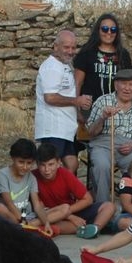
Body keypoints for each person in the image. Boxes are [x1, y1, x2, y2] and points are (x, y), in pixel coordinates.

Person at [85, 68, 132, 203]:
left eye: (131, 84)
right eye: (123, 84)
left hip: (130, 146)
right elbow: (90, 132)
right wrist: (103, 118)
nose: (127, 88)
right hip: (103, 144)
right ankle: (103, 207)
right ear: (116, 85)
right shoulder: (103, 101)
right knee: (101, 166)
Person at [35, 29, 92, 175]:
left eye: (73, 47)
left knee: (72, 164)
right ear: (56, 47)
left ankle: (66, 196)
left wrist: (78, 113)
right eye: (66, 47)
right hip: (54, 127)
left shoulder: (65, 65)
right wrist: (77, 101)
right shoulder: (52, 67)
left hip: (65, 128)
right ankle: (45, 196)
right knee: (50, 167)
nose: (71, 51)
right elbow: (50, 97)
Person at [34, 142, 113, 239]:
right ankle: (84, 228)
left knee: (109, 206)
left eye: (51, 164)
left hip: (71, 209)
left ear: (59, 163)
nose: (47, 170)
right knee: (54, 223)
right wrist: (69, 217)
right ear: (37, 164)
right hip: (50, 216)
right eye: (42, 165)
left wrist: (69, 212)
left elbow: (88, 199)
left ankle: (94, 229)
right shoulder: (33, 177)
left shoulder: (65, 174)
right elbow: (39, 207)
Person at [0, 138, 61, 236]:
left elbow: (36, 205)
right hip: (10, 216)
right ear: (12, 158)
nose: (25, 167)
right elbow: (9, 203)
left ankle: (29, 228)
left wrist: (46, 223)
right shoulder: (2, 175)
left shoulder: (31, 178)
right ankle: (26, 229)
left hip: (27, 217)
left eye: (29, 163)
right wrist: (22, 221)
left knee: (64, 209)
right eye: (21, 162)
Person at [73, 13, 132, 124]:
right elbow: (77, 83)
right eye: (105, 29)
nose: (109, 32)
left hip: (116, 111)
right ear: (98, 30)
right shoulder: (87, 52)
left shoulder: (123, 55)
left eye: (113, 29)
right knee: (90, 141)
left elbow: (129, 83)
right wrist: (76, 110)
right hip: (90, 110)